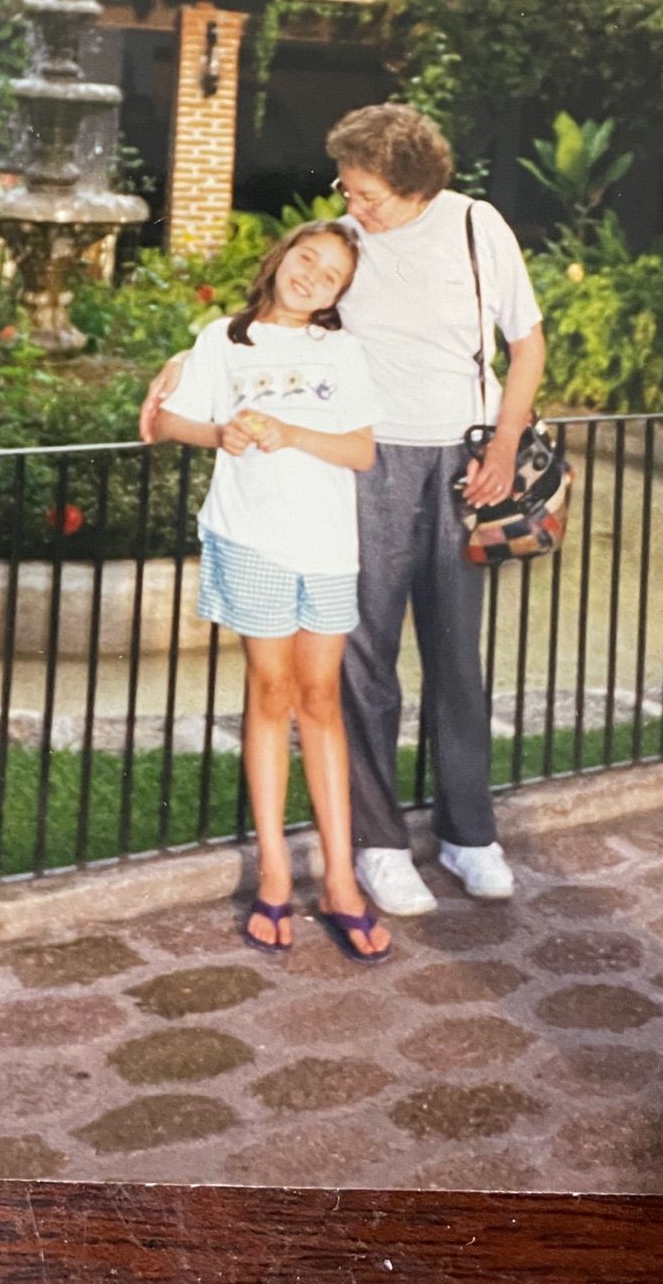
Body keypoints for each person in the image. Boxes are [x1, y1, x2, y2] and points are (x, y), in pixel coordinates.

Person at [143, 105, 545, 919]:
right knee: (363, 660)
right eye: (348, 188)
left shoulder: (477, 227)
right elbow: (279, 312)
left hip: (465, 456)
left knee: (457, 656)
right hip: (368, 459)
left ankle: (471, 835)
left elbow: (526, 345)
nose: (351, 205)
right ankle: (381, 844)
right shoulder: (347, 244)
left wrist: (504, 447)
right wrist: (189, 355)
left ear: (413, 185)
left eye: (367, 194)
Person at [150, 218, 392, 963]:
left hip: (325, 548)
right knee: (270, 694)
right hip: (250, 539)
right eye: (307, 258)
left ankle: (341, 882)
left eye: (331, 277)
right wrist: (217, 433)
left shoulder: (341, 351)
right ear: (282, 256)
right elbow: (166, 422)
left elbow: (360, 448)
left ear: (337, 298)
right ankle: (277, 875)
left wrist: (290, 433)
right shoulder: (222, 338)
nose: (312, 277)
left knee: (321, 700)